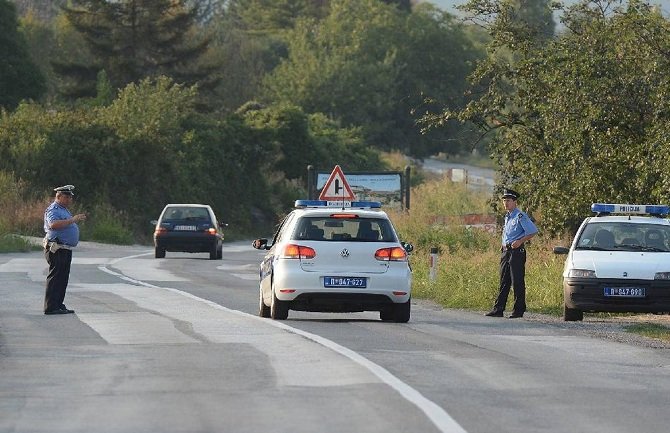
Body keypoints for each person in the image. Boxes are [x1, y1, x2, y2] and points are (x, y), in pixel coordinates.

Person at [485, 188, 538, 319]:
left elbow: (532, 231)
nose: (505, 203)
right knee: (504, 281)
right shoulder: (507, 216)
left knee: (517, 281)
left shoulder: (520, 215)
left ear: (515, 202)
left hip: (516, 252)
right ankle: (498, 309)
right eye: (504, 201)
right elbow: (507, 234)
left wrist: (520, 241)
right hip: (506, 251)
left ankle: (518, 310)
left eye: (508, 200)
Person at [43, 185, 86, 315]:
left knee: (63, 278)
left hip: (65, 248)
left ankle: (58, 304)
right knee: (55, 277)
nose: (69, 200)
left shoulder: (64, 210)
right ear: (59, 197)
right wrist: (73, 220)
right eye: (66, 197)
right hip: (56, 248)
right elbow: (53, 225)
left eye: (70, 197)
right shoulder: (54, 209)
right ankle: (50, 306)